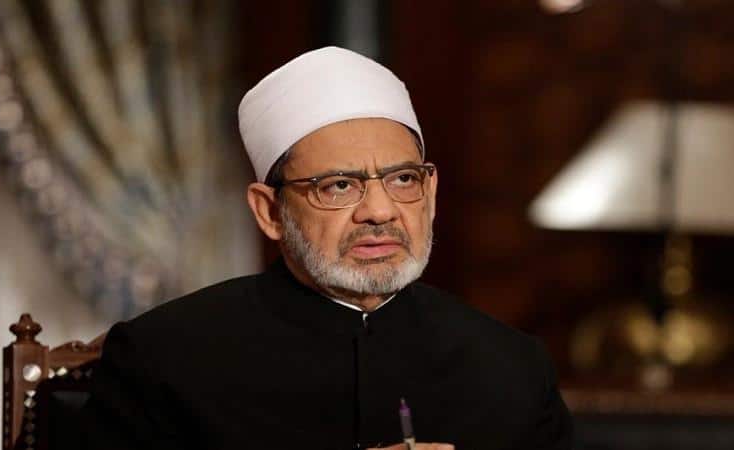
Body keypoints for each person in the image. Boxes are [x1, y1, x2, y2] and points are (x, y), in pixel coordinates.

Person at [81, 47, 572, 450]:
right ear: (269, 212)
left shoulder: (513, 368)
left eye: (403, 179)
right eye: (338, 186)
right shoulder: (162, 360)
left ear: (432, 192)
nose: (379, 210)